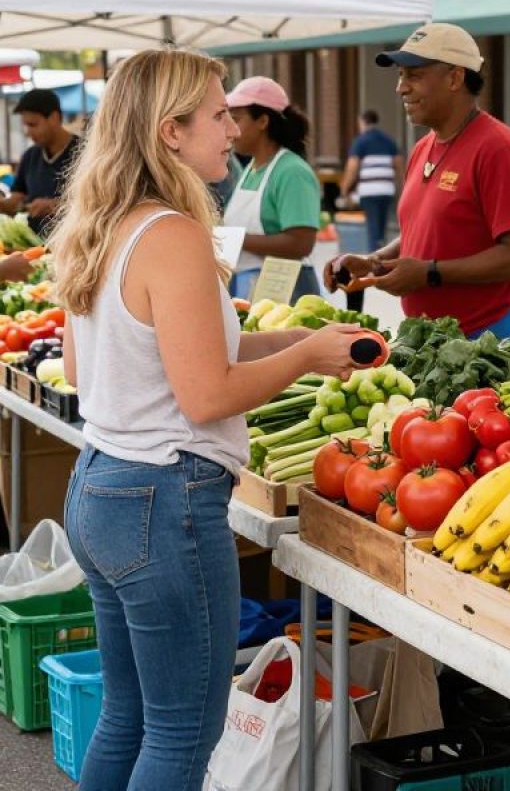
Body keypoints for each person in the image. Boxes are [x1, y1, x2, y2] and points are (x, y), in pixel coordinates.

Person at [51, 49, 364, 791]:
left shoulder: (104, 225)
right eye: (218, 114)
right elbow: (208, 395)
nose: (233, 127)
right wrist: (303, 358)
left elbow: (91, 366)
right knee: (185, 733)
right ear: (170, 133)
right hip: (165, 506)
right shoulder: (174, 235)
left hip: (100, 488)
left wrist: (301, 344)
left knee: (128, 719)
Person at [324, 23, 510, 339]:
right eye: (400, 76)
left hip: (487, 337)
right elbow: (425, 231)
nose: (401, 87)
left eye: (413, 75)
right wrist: (374, 262)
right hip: (430, 336)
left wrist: (430, 273)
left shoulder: (499, 149)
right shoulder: (423, 147)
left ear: (455, 78)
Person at [221, 76, 322, 303]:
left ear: (263, 121)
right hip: (250, 287)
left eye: (236, 120)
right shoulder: (252, 169)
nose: (230, 130)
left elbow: (301, 243)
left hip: (288, 293)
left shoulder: (292, 172)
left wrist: (233, 239)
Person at [0, 88, 80, 236]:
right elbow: (17, 198)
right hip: (33, 247)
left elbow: (98, 202)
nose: (27, 132)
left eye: (33, 125)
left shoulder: (84, 152)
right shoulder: (30, 156)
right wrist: (5, 204)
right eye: (25, 125)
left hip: (73, 243)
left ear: (54, 118)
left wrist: (55, 206)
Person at [341, 109, 404, 252]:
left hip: (369, 192)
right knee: (382, 228)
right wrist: (403, 189)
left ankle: (375, 260)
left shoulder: (360, 142)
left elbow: (352, 168)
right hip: (387, 190)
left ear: (362, 122)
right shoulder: (389, 140)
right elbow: (399, 167)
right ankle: (382, 254)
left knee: (372, 229)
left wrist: (344, 190)